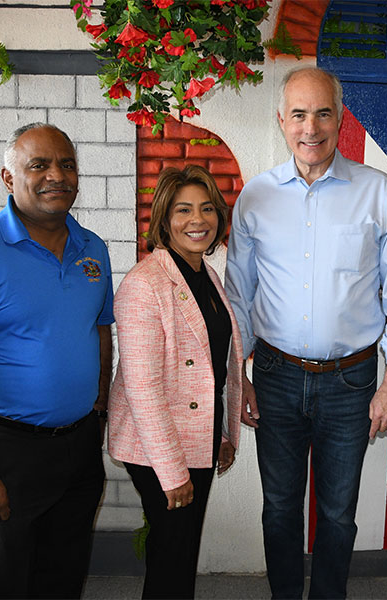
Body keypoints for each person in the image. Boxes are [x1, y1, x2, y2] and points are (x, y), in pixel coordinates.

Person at [225, 65, 387, 599]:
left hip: (351, 382)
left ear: (340, 119)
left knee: (337, 513)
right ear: (281, 121)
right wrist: (239, 376)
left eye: (322, 113)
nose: (310, 128)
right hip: (274, 376)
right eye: (298, 115)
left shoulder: (378, 193)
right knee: (279, 507)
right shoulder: (256, 197)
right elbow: (238, 292)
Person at [0, 123, 113, 598]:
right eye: (39, 165)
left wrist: (99, 408)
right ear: (9, 178)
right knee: (11, 578)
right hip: (9, 450)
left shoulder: (93, 249)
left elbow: (99, 329)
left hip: (79, 443)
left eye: (67, 164)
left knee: (66, 569)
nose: (57, 175)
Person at [108, 166, 243, 599]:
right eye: (184, 210)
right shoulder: (144, 285)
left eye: (207, 209)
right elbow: (142, 390)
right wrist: (172, 473)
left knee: (181, 548)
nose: (197, 220)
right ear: (165, 220)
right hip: (158, 448)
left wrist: (220, 435)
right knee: (172, 552)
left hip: (196, 436)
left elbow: (210, 369)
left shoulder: (206, 275)